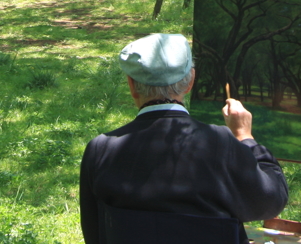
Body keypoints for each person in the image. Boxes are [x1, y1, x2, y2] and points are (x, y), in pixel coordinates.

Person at [79, 34, 288, 244]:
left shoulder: (100, 150)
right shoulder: (221, 143)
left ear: (132, 85)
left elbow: (94, 233)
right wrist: (245, 137)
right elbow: (271, 200)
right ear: (190, 81)